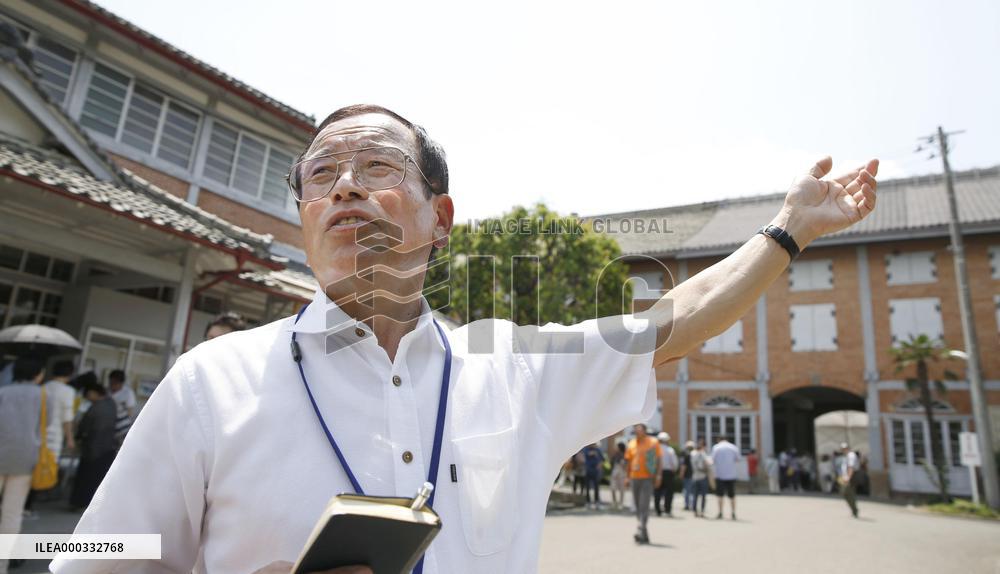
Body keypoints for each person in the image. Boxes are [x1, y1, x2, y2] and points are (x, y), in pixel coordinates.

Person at [53, 104, 879, 573]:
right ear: (302, 215)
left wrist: (789, 230)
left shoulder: (515, 367)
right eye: (320, 175)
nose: (344, 187)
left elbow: (674, 317)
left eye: (377, 168)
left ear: (440, 218)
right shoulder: (209, 382)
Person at [0, 357, 44, 574]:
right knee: (12, 514)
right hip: (26, 459)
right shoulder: (43, 396)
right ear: (37, 374)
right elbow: (43, 428)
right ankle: (2, 564)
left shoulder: (3, 392)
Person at [69, 382, 117, 511]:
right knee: (98, 478)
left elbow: (84, 426)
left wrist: (77, 437)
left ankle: (79, 502)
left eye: (88, 394)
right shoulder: (111, 404)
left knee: (85, 478)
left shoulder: (95, 408)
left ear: (95, 393)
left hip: (92, 448)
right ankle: (93, 504)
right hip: (108, 447)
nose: (88, 397)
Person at [624, 424, 661, 544]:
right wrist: (627, 477)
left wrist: (658, 475)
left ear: (645, 431)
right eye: (635, 430)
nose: (637, 432)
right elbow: (628, 462)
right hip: (634, 478)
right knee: (637, 506)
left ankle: (640, 529)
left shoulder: (653, 442)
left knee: (644, 505)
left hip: (647, 478)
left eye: (639, 430)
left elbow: (659, 460)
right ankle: (644, 534)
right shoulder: (631, 443)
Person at [710, 435, 741, 520]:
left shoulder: (716, 447)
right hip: (731, 474)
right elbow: (738, 459)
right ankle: (733, 513)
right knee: (732, 495)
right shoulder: (733, 447)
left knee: (720, 495)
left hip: (720, 474)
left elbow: (712, 460)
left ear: (718, 440)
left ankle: (720, 512)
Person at [107, 370, 135, 446]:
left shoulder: (128, 392)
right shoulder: (107, 391)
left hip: (122, 427)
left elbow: (130, 411)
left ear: (121, 383)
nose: (112, 385)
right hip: (108, 426)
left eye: (115, 383)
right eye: (111, 382)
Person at [653, 432, 678, 517]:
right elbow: (674, 463)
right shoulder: (670, 450)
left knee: (657, 491)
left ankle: (657, 510)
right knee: (669, 492)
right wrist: (674, 470)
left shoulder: (655, 450)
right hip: (668, 473)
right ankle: (667, 510)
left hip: (657, 472)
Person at [689, 439, 711, 518]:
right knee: (703, 496)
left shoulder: (693, 454)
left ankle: (696, 511)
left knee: (695, 495)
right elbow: (708, 464)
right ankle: (701, 511)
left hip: (695, 477)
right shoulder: (703, 454)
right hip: (702, 477)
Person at [837, 443, 860, 518]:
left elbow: (851, 467)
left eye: (844, 449)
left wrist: (848, 478)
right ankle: (854, 510)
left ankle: (854, 510)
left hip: (850, 477)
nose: (843, 450)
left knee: (847, 492)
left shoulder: (851, 455)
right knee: (846, 493)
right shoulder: (846, 456)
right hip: (845, 476)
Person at [582, 443, 605, 509]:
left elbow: (602, 459)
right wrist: (592, 453)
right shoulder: (585, 449)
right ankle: (588, 502)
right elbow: (585, 456)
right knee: (587, 487)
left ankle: (597, 502)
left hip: (595, 471)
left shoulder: (598, 450)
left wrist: (600, 465)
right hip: (588, 471)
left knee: (596, 487)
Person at [609, 442, 627, 512]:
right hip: (615, 472)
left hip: (622, 473)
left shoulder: (625, 454)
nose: (615, 448)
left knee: (622, 489)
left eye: (617, 446)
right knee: (613, 488)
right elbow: (611, 463)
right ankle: (614, 502)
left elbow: (625, 465)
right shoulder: (615, 455)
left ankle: (621, 503)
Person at [680, 440, 695, 510]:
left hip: (687, 475)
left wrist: (681, 474)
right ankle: (693, 505)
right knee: (692, 491)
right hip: (694, 475)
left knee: (687, 491)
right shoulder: (695, 454)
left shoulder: (686, 455)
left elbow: (684, 466)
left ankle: (687, 505)